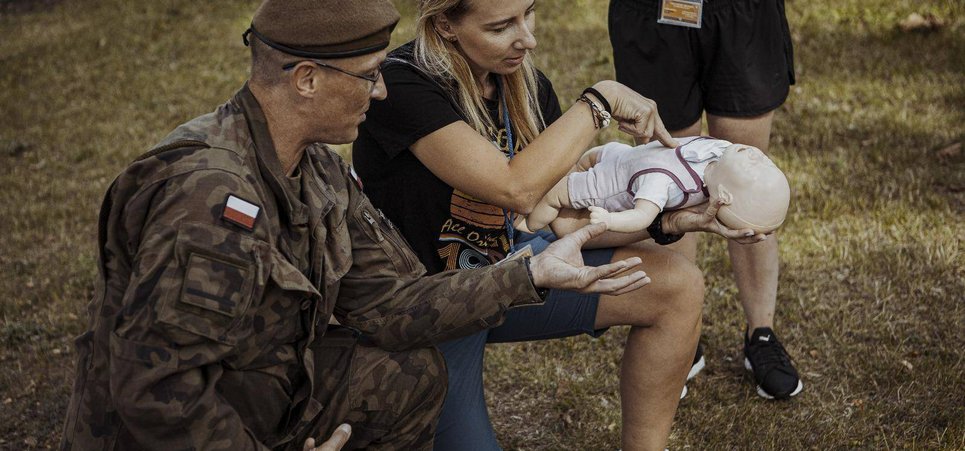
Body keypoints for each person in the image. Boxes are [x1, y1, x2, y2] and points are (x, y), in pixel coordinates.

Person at [59, 1, 656, 450]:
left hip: (268, 378)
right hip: (166, 429)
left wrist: (530, 274)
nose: (383, 88)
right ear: (307, 80)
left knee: (412, 375)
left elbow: (390, 304)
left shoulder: (315, 168)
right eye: (368, 74)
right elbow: (158, 392)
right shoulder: (210, 200)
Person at [353, 1, 768, 449]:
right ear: (445, 26)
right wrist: (599, 101)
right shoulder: (401, 83)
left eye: (528, 13)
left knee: (677, 286)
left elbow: (567, 220)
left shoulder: (525, 86)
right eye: (501, 26)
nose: (527, 39)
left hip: (510, 275)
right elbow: (514, 189)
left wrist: (673, 221)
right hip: (429, 307)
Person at [608, 0, 804, 399]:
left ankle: (761, 335)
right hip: (652, 12)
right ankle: (680, 333)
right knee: (667, 177)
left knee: (748, 185)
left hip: (739, 12)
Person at [523, 137, 791, 236]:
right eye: (767, 161)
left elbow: (641, 217)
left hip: (606, 185)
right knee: (582, 161)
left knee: (555, 195)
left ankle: (528, 227)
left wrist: (609, 219)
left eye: (754, 168)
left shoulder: (664, 183)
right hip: (621, 155)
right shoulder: (720, 151)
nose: (758, 156)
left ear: (724, 196)